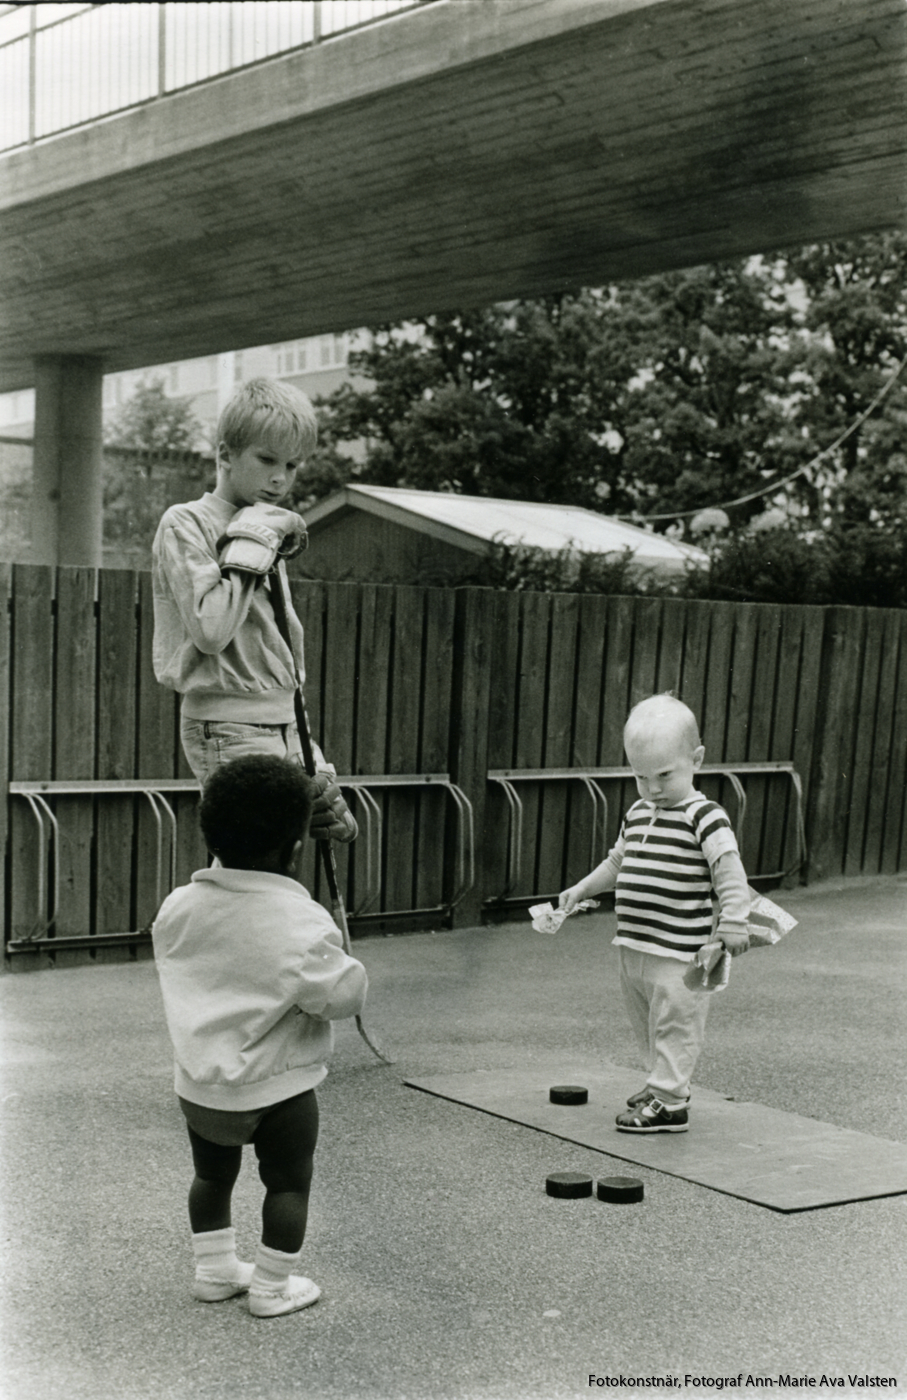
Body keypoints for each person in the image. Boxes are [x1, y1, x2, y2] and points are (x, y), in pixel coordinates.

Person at [152, 754, 368, 1317]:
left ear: (211, 832)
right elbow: (342, 997)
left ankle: (214, 1272)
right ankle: (273, 1287)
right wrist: (343, 958)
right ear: (295, 848)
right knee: (288, 1185)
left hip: (201, 1086)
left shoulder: (178, 907)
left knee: (211, 1175)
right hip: (279, 1089)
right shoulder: (300, 921)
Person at [151, 375, 356, 840]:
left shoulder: (264, 523)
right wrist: (251, 545)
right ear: (225, 454)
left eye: (293, 464)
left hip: (284, 720)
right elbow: (211, 630)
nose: (280, 477)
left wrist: (306, 743)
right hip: (226, 725)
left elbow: (277, 641)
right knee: (251, 862)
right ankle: (196, 916)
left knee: (332, 831)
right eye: (266, 459)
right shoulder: (187, 522)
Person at [559, 694, 750, 1134]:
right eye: (641, 777)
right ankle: (660, 1083)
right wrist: (581, 889)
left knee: (676, 1022)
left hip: (681, 950)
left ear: (696, 759)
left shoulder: (705, 816)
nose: (654, 788)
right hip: (635, 944)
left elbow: (728, 869)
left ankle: (671, 1101)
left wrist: (734, 920)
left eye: (665, 775)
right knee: (648, 1020)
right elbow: (616, 863)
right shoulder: (638, 811)